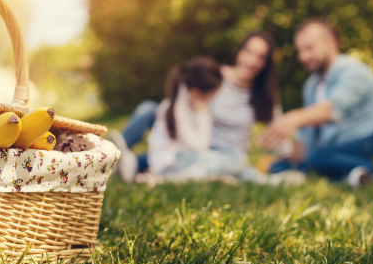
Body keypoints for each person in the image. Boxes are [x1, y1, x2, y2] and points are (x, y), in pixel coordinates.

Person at [258, 18, 373, 188]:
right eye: (299, 51)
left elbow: (333, 109)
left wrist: (293, 118)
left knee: (319, 158)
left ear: (331, 42)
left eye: (309, 48)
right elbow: (306, 142)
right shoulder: (311, 86)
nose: (302, 56)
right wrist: (286, 155)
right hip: (336, 154)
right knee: (282, 166)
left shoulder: (354, 72)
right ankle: (356, 177)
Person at [111, 32, 303, 185]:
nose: (252, 61)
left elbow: (280, 138)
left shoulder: (265, 95)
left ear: (266, 64)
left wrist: (292, 153)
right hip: (192, 146)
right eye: (248, 51)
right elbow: (182, 105)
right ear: (239, 51)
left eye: (260, 57)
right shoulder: (216, 78)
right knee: (150, 113)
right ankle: (108, 154)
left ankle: (140, 169)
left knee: (236, 166)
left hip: (227, 155)